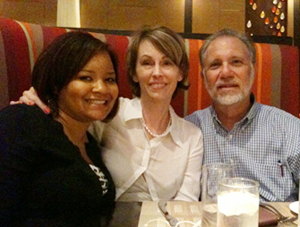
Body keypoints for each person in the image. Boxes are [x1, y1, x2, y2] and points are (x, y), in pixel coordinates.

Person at [13, 26, 204, 202]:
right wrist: (40, 99)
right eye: (147, 63)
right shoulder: (107, 111)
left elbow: (185, 204)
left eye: (167, 63)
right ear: (135, 73)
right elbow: (66, 119)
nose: (157, 72)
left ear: (180, 73)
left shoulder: (192, 136)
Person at [0, 31, 118, 226]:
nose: (101, 89)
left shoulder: (90, 143)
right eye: (86, 78)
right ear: (56, 83)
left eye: (110, 79)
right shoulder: (22, 122)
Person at [185, 28, 300, 202]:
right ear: (203, 76)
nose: (225, 73)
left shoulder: (290, 129)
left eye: (236, 62)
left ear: (252, 70)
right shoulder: (188, 131)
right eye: (215, 65)